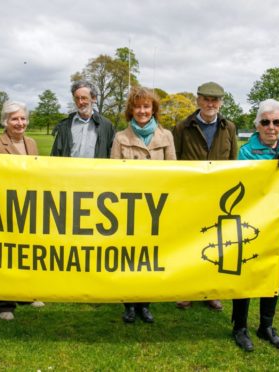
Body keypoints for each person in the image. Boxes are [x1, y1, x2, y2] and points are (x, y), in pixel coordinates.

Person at [231, 98, 279, 352]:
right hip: (253, 228)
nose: (271, 127)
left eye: (276, 122)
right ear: (257, 125)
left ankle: (266, 327)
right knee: (246, 276)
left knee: (273, 277)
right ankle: (239, 328)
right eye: (265, 122)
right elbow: (242, 187)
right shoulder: (246, 151)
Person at [110, 86, 176, 324]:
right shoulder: (120, 138)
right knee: (128, 257)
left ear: (153, 109)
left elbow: (174, 171)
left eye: (146, 106)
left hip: (155, 207)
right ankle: (128, 303)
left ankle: (145, 304)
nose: (142, 110)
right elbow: (112, 174)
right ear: (131, 110)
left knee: (150, 257)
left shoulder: (166, 136)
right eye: (137, 106)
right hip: (128, 207)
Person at [172, 81, 238, 311]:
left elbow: (234, 162)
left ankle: (211, 291)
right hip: (190, 197)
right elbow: (175, 161)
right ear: (198, 100)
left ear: (221, 103)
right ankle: (187, 290)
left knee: (217, 244)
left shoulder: (228, 127)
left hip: (219, 198)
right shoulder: (182, 127)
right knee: (189, 244)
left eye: (215, 100)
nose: (211, 104)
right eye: (206, 99)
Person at [0, 100, 44, 319]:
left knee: (29, 252)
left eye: (23, 118)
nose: (20, 123)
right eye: (14, 119)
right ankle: (4, 304)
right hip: (8, 206)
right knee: (7, 254)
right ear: (5, 121)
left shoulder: (32, 143)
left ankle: (27, 293)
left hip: (31, 205)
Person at [50, 80, 115, 158]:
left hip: (96, 170)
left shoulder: (106, 125)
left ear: (93, 98)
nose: (80, 102)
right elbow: (55, 155)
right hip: (69, 170)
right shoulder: (64, 126)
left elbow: (112, 155)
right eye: (77, 98)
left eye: (84, 98)